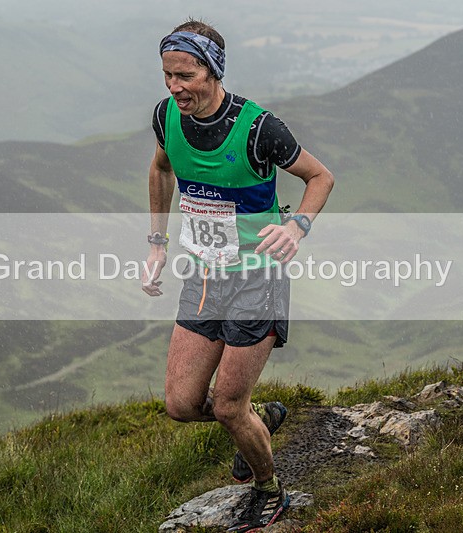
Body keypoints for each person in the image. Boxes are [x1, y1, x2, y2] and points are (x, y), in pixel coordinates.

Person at [142, 18, 334, 532]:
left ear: (213, 71)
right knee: (181, 404)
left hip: (257, 278)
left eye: (185, 75)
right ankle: (259, 417)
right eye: (167, 75)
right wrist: (157, 243)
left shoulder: (257, 129)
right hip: (204, 276)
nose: (174, 87)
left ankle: (269, 490)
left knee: (227, 406)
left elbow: (320, 177)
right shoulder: (166, 117)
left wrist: (296, 226)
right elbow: (161, 169)